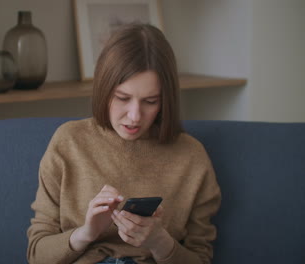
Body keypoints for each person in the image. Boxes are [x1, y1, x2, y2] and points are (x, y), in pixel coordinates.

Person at [27, 23, 221, 264]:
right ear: (104, 89)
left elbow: (201, 258)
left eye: (150, 101)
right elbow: (37, 255)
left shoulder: (192, 157)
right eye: (122, 98)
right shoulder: (68, 142)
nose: (135, 116)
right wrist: (86, 233)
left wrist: (160, 242)